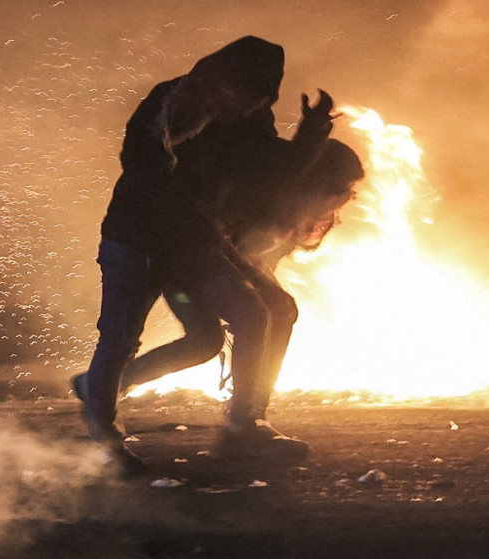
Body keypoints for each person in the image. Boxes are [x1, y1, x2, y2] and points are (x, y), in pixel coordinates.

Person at [76, 35, 330, 474]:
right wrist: (186, 202)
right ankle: (106, 440)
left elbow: (271, 169)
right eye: (246, 96)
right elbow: (143, 162)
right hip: (138, 242)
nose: (251, 107)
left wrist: (309, 135)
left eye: (261, 99)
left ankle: (245, 425)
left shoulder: (246, 117)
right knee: (119, 339)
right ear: (222, 81)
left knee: (257, 315)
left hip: (197, 244)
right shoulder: (172, 103)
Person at [123, 137, 365, 458]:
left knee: (207, 341)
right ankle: (246, 420)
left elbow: (264, 255)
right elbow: (223, 244)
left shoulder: (309, 214)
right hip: (189, 262)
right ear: (314, 180)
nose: (345, 198)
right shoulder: (262, 195)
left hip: (217, 265)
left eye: (349, 190)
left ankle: (108, 383)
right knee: (264, 315)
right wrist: (249, 294)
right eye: (339, 188)